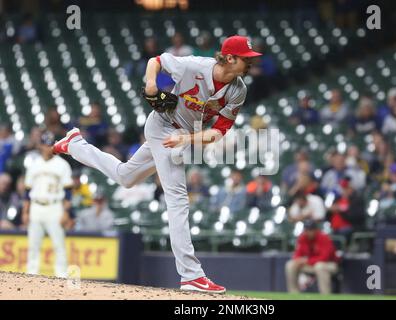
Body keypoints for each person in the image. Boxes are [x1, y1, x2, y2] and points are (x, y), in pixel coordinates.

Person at [52, 35, 262, 293]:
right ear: (229, 58)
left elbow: (218, 132)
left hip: (180, 135)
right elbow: (157, 60)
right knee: (177, 198)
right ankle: (191, 275)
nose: (250, 63)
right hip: (162, 125)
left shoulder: (238, 89)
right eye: (246, 59)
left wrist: (187, 138)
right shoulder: (194, 66)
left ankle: (74, 145)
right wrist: (151, 84)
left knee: (126, 176)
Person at [23, 131, 73, 278]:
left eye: (50, 145)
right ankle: (31, 275)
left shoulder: (62, 165)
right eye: (45, 145)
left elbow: (68, 191)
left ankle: (62, 275)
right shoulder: (34, 164)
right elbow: (27, 191)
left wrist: (65, 212)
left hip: (54, 206)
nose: (47, 148)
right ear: (40, 146)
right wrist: (25, 211)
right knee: (33, 245)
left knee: (59, 244)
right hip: (36, 207)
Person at [285, 220, 339, 294]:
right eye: (306, 230)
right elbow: (297, 254)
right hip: (312, 264)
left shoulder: (323, 238)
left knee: (320, 266)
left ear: (316, 230)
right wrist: (298, 260)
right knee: (291, 264)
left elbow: (325, 257)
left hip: (330, 264)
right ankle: (294, 294)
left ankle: (325, 295)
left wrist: (306, 261)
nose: (308, 232)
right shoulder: (303, 238)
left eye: (311, 230)